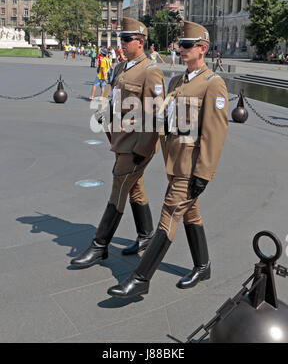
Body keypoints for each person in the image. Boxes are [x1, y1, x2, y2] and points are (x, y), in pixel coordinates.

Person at [107, 21, 228, 298]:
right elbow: (161, 120)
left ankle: (140, 278)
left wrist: (203, 174)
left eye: (187, 45)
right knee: (191, 213)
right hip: (173, 163)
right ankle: (203, 265)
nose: (180, 49)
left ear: (203, 49)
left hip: (190, 168)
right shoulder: (176, 82)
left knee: (169, 215)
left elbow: (214, 133)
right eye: (180, 45)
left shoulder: (213, 85)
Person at [71, 17, 165, 268]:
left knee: (118, 189)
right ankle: (145, 235)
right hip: (120, 140)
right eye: (120, 39)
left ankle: (99, 245)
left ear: (141, 41)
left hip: (136, 146)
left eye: (126, 39)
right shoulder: (121, 68)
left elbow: (155, 116)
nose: (121, 44)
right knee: (135, 188)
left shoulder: (151, 71)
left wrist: (141, 151)